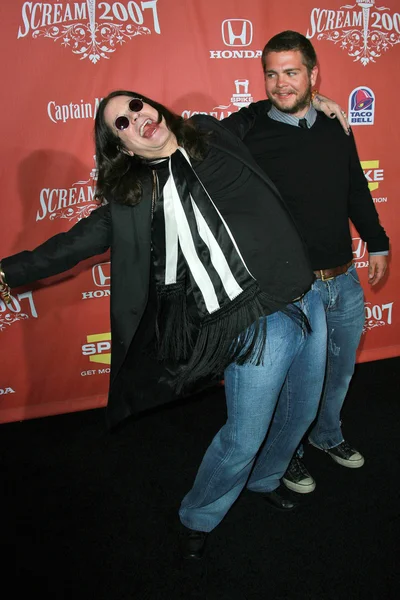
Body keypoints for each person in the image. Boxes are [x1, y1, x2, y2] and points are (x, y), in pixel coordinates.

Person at [0, 89, 344, 560]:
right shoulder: (133, 198)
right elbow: (68, 246)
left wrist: (311, 98)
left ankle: (266, 480)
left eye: (136, 106)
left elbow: (258, 112)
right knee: (243, 437)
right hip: (252, 324)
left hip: (305, 295)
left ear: (154, 107)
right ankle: (198, 516)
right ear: (122, 148)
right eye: (121, 123)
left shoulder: (210, 133)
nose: (136, 119)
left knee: (300, 413)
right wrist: (6, 272)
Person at [222, 30, 389, 495]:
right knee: (294, 388)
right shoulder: (252, 133)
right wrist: (265, 107)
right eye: (271, 74)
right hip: (292, 291)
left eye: (291, 72)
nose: (280, 84)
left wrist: (377, 242)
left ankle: (327, 435)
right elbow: (205, 135)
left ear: (313, 74)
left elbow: (355, 186)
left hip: (344, 280)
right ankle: (288, 452)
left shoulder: (336, 126)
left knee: (341, 372)